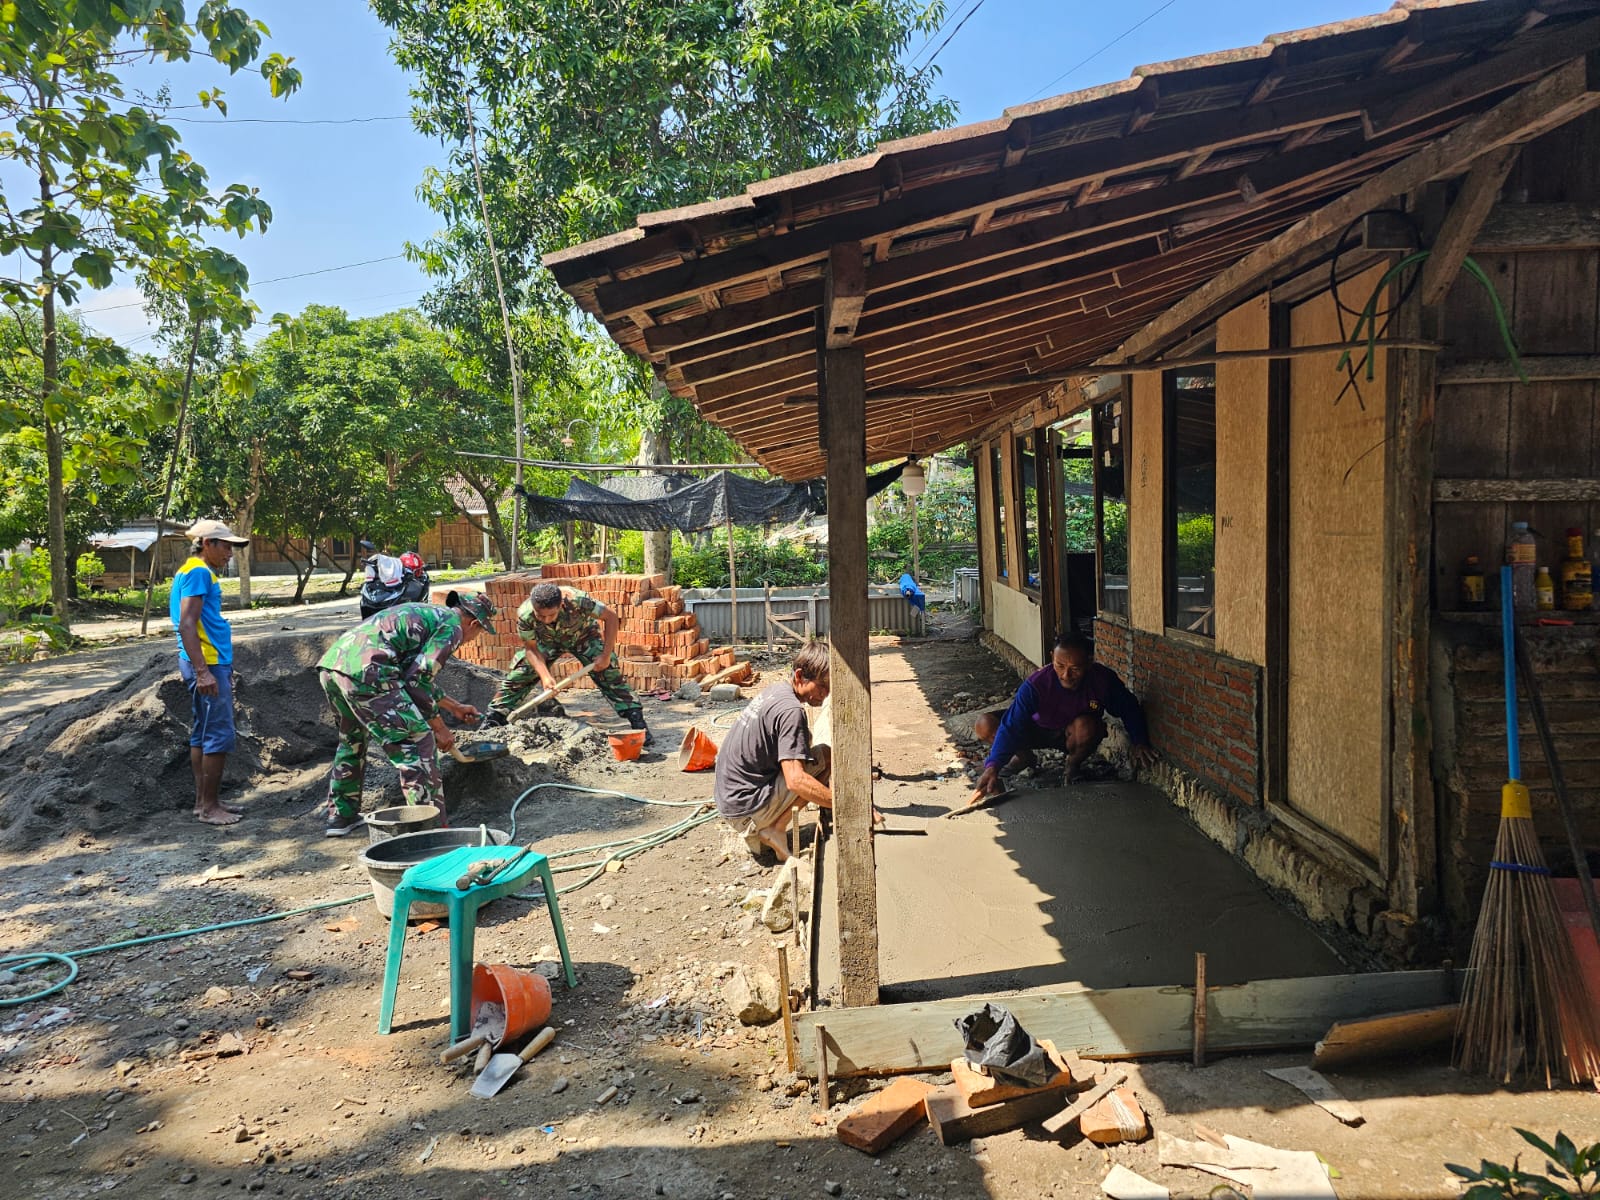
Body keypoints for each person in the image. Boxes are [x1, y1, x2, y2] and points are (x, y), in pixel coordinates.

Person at [316, 591, 497, 837]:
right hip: (370, 673)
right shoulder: (453, 628)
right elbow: (418, 679)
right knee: (417, 741)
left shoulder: (429, 614)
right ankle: (430, 830)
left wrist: (453, 706)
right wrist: (439, 727)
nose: (473, 639)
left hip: (335, 667)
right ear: (474, 623)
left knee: (353, 738)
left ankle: (342, 816)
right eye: (479, 633)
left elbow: (408, 674)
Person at [963, 631, 1157, 810]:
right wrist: (993, 766)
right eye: (1060, 666)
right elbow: (1011, 726)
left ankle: (1072, 766)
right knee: (984, 724)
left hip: (1069, 733)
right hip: (1034, 727)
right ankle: (1023, 757)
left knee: (1087, 726)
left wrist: (1139, 741)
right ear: (1051, 658)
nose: (1066, 675)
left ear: (1089, 663)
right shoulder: (1036, 684)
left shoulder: (1102, 680)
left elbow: (1129, 706)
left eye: (1075, 669)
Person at [480, 580, 652, 744]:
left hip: (583, 636)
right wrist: (545, 677)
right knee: (523, 671)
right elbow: (531, 649)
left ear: (561, 604)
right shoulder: (525, 614)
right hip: (546, 642)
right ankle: (494, 718)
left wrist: (606, 655)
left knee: (608, 671)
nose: (546, 620)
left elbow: (611, 617)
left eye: (551, 615)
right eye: (541, 616)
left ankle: (637, 720)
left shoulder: (577, 600)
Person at [713, 638, 834, 862]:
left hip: (730, 798)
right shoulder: (791, 711)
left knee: (810, 745)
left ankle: (772, 825)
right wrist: (843, 804)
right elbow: (796, 781)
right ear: (799, 676)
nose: (825, 694)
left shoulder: (778, 690)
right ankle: (774, 829)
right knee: (825, 757)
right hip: (745, 809)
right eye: (822, 686)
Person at [170, 519, 252, 826]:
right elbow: (186, 623)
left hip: (201, 659)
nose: (230, 553)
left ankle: (204, 801)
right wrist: (204, 671)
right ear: (207, 543)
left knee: (202, 732)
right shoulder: (199, 572)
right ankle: (209, 807)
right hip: (207, 660)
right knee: (218, 732)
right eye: (226, 546)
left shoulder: (189, 570)